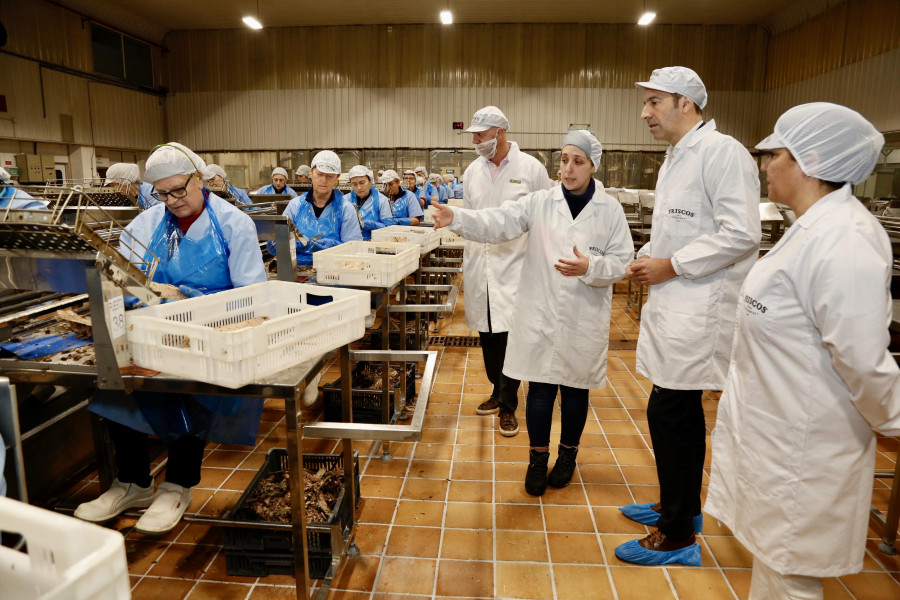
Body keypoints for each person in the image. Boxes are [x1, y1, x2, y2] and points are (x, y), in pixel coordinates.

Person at [704, 103, 900, 600]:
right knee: (776, 571)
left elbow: (862, 361)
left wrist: (895, 424)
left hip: (807, 448)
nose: (765, 166)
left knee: (790, 581)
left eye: (776, 154)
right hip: (778, 435)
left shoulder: (847, 241)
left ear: (809, 161)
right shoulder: (811, 229)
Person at [75, 142, 267, 535]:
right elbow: (121, 276)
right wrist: (128, 295)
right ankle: (131, 483)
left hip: (207, 336)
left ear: (199, 179)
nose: (173, 200)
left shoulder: (234, 224)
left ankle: (177, 485)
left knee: (185, 393)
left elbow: (251, 297)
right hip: (149, 333)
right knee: (118, 385)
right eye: (163, 193)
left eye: (180, 189)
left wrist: (187, 297)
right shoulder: (145, 224)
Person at [431, 130, 633, 494]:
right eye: (564, 161)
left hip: (582, 315)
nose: (568, 169)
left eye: (578, 162)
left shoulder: (610, 209)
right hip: (540, 313)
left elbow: (622, 263)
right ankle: (537, 459)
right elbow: (498, 221)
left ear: (592, 166)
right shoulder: (540, 202)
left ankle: (567, 456)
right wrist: (457, 218)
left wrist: (591, 267)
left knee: (575, 393)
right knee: (540, 390)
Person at [614, 67, 761, 566]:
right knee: (670, 409)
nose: (645, 113)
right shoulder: (677, 158)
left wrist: (671, 264)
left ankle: (677, 535)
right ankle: (680, 508)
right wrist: (649, 253)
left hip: (701, 307)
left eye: (654, 102)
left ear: (686, 104)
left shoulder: (723, 153)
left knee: (672, 413)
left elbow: (741, 234)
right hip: (675, 300)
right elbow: (679, 230)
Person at [460, 105, 554, 437]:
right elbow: (469, 217)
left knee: (511, 338)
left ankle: (509, 406)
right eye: (473, 135)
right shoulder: (472, 171)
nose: (475, 140)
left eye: (480, 135)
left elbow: (546, 219)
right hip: (481, 265)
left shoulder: (531, 168)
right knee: (488, 335)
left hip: (517, 267)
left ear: (500, 133)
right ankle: (496, 390)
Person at [275, 151, 362, 266]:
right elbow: (276, 243)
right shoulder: (295, 206)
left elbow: (354, 249)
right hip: (296, 270)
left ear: (337, 178)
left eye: (330, 176)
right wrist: (293, 243)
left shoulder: (345, 209)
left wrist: (331, 246)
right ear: (311, 173)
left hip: (334, 273)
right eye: (320, 174)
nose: (324, 180)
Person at [346, 165, 393, 241]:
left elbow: (389, 228)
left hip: (375, 245)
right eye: (354, 184)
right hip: (349, 245)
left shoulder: (381, 200)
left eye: (362, 182)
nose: (359, 187)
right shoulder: (345, 200)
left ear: (370, 181)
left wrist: (374, 225)